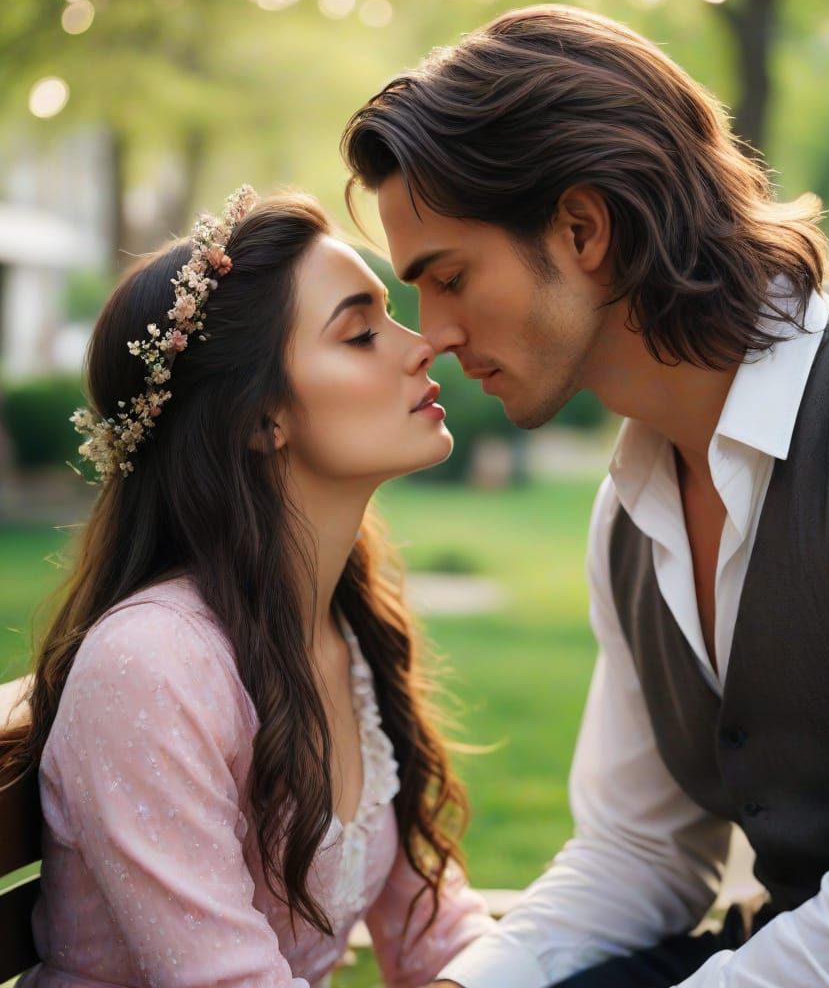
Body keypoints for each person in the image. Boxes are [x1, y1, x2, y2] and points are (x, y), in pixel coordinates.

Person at [341, 5, 829, 988]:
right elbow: (640, 853)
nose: (432, 332)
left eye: (448, 277)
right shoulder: (630, 513)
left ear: (582, 228)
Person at [4, 187, 494, 988]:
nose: (422, 344)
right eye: (363, 332)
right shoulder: (154, 666)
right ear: (260, 419)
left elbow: (435, 934)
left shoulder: (343, 628)